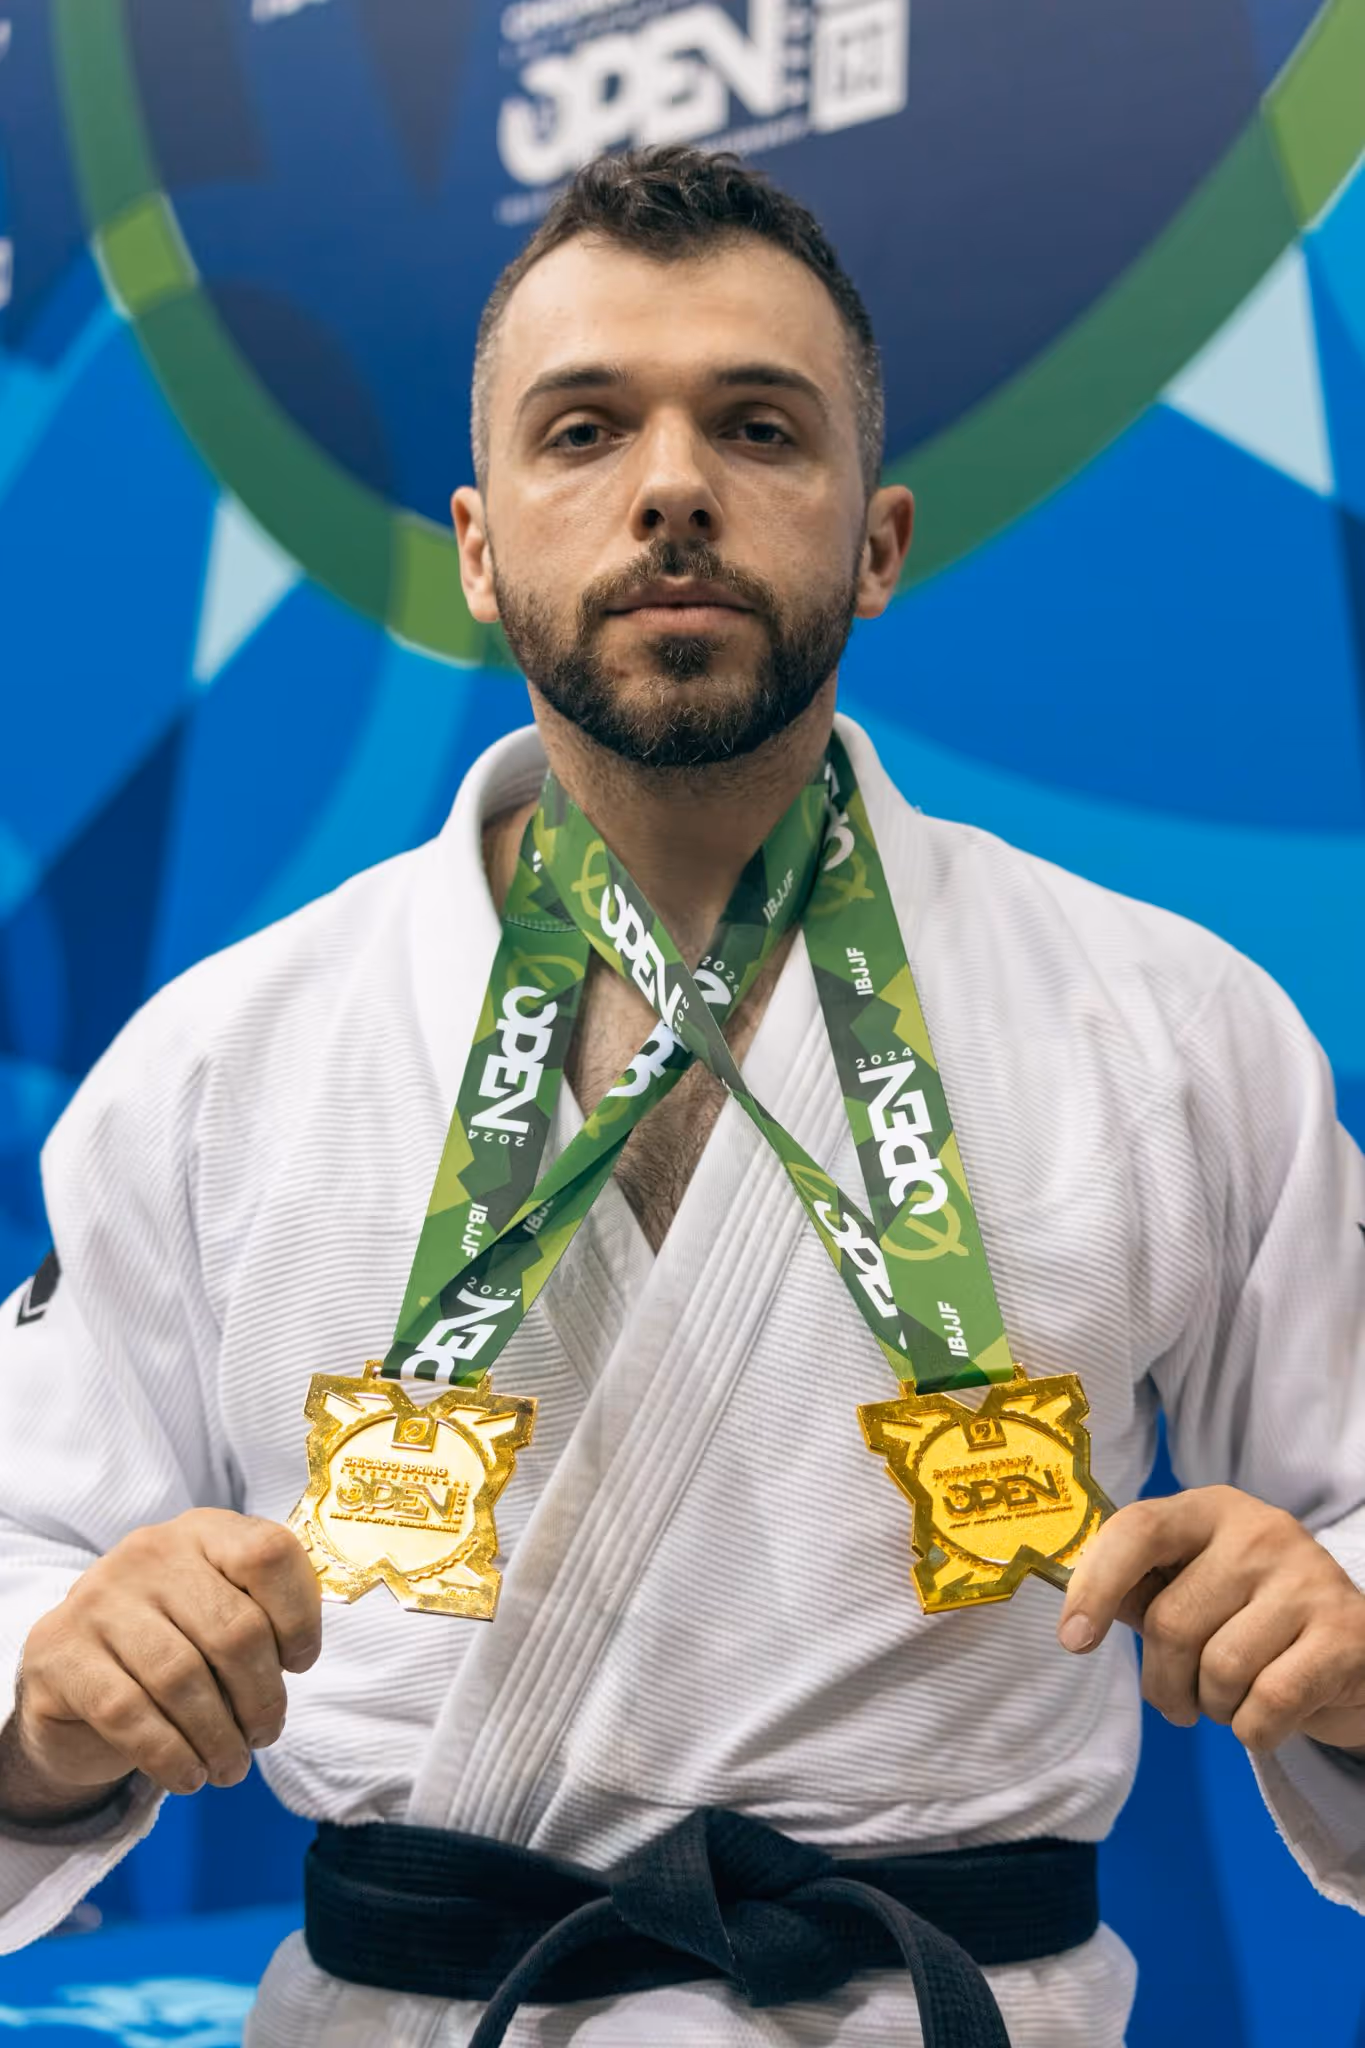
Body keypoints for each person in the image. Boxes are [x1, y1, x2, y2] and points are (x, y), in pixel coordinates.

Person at [1, 143, 1363, 2047]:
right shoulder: (226, 1053)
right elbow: (21, 1561)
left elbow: (1357, 1516)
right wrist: (56, 1691)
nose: (669, 490)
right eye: (583, 431)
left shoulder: (1177, 1026)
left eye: (756, 428)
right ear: (479, 548)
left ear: (875, 543)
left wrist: (1349, 1635)